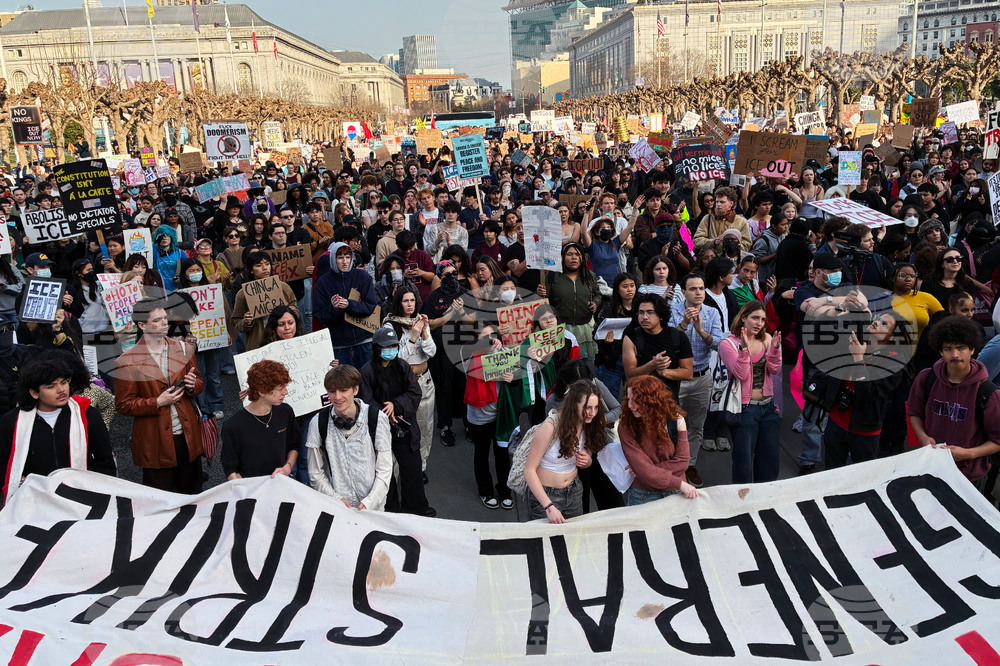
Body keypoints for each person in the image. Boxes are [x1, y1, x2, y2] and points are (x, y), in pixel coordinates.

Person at [114, 298, 204, 494]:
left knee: (193, 496)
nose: (165, 323)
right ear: (142, 325)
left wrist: (192, 386)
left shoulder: (184, 349)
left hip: (187, 435)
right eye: (157, 320)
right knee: (159, 500)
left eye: (165, 318)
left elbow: (198, 382)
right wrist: (157, 402)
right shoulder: (126, 361)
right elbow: (123, 404)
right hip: (154, 441)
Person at [0, 355, 115, 504]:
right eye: (51, 386)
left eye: (64, 382)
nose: (61, 390)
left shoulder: (87, 415)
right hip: (32, 500)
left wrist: (94, 491)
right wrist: (22, 481)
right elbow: (3, 464)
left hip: (83, 499)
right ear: (34, 393)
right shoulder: (12, 422)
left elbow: (105, 462)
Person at [908, 315, 1000, 491]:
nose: (955, 355)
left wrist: (967, 454)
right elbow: (914, 413)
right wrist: (923, 437)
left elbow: (997, 440)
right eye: (948, 349)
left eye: (961, 348)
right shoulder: (926, 378)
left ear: (972, 349)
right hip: (932, 469)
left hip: (969, 477)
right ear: (940, 351)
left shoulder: (988, 392)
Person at [359, 327, 436, 517]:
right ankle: (389, 510)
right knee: (384, 474)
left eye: (394, 346)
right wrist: (384, 413)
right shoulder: (366, 372)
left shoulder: (402, 366)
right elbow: (366, 401)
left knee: (412, 468)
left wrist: (396, 405)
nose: (390, 350)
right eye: (386, 346)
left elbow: (414, 392)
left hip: (404, 425)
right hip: (379, 429)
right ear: (377, 348)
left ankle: (416, 508)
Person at [822, 312, 909, 469]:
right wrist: (840, 308)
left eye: (885, 324)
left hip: (864, 430)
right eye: (878, 319)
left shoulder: (894, 363)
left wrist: (858, 358)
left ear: (892, 337)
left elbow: (867, 393)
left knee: (862, 479)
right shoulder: (856, 339)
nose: (876, 322)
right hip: (836, 420)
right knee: (831, 473)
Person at [307, 364, 393, 511]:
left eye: (343, 390)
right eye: (332, 391)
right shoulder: (317, 423)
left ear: (356, 389)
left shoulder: (378, 419)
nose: (337, 397)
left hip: (374, 509)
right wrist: (336, 499)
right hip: (337, 508)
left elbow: (384, 469)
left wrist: (369, 503)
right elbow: (315, 473)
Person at [523, 380, 608, 523]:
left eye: (596, 407)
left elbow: (588, 457)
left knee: (572, 540)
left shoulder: (589, 425)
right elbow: (529, 470)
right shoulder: (550, 427)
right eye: (587, 408)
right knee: (545, 542)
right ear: (574, 405)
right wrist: (548, 506)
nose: (592, 413)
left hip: (574, 491)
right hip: (546, 495)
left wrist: (588, 461)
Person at [668, 272, 724, 487]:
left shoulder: (711, 313)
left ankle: (689, 465)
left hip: (701, 376)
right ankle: (672, 465)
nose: (698, 292)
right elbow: (669, 342)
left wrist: (700, 330)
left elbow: (718, 344)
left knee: (696, 425)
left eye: (701, 288)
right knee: (671, 424)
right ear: (683, 292)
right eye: (693, 289)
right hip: (677, 378)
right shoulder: (672, 310)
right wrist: (683, 323)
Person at [719, 301, 783, 484]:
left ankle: (766, 498)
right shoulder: (728, 343)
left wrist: (775, 350)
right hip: (745, 409)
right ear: (743, 317)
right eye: (755, 318)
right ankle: (743, 500)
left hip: (768, 406)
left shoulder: (767, 339)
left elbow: (774, 369)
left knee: (769, 459)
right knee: (743, 460)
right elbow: (740, 374)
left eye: (763, 319)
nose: (759, 323)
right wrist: (744, 350)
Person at [382, 286, 437, 479]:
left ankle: (420, 467)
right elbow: (395, 359)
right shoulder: (390, 326)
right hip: (402, 385)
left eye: (412, 300)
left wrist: (424, 334)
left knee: (425, 427)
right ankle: (398, 471)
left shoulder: (420, 321)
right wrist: (413, 337)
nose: (409, 305)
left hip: (424, 383)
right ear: (399, 303)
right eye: (405, 301)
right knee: (402, 429)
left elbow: (431, 352)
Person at [618, 375, 698, 505]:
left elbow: (683, 462)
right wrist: (678, 483)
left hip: (675, 492)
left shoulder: (675, 419)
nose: (630, 405)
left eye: (636, 401)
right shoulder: (626, 426)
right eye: (628, 399)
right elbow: (644, 471)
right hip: (644, 494)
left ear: (651, 401)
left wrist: (645, 470)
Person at [462, 325, 514, 510]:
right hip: (479, 417)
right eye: (485, 337)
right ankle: (485, 490)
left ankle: (505, 490)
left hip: (500, 416)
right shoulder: (470, 356)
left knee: (502, 454)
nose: (490, 339)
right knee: (481, 454)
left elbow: (518, 370)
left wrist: (511, 376)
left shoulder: (504, 352)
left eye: (493, 335)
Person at [221, 360, 299, 480]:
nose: (286, 392)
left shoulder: (286, 412)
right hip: (250, 492)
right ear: (262, 391)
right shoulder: (233, 426)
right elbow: (230, 468)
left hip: (282, 484)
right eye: (280, 388)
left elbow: (294, 445)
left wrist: (288, 467)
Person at [313, 242, 377, 367]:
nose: (344, 261)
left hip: (363, 341)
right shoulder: (323, 282)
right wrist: (334, 307)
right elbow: (319, 314)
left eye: (347, 257)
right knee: (344, 383)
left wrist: (349, 304)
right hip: (339, 345)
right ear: (333, 259)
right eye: (340, 257)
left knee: (367, 381)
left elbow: (371, 306)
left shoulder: (363, 276)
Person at [536, 242, 602, 360]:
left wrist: (595, 304)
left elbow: (597, 294)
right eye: (569, 254)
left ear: (582, 258)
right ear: (562, 257)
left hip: (585, 328)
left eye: (577, 254)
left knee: (585, 364)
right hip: (562, 329)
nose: (574, 257)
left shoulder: (589, 276)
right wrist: (540, 294)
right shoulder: (552, 277)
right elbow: (543, 303)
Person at [623, 293, 694, 401]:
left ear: (660, 315)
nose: (644, 317)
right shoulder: (631, 337)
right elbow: (629, 375)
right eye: (641, 312)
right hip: (640, 401)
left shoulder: (677, 336)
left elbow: (688, 373)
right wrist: (652, 365)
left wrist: (664, 372)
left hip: (669, 401)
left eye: (650, 312)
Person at [230, 252, 299, 351]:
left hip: (284, 343)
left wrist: (292, 312)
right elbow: (235, 321)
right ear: (251, 270)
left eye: (267, 264)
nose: (265, 268)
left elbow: (295, 310)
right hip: (259, 345)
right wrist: (246, 322)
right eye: (258, 265)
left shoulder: (283, 287)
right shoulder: (243, 294)